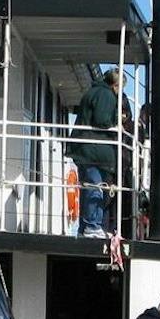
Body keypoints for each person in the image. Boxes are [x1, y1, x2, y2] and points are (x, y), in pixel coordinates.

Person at [67, 68, 120, 239]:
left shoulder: (92, 92)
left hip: (83, 148)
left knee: (88, 186)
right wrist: (116, 124)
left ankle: (85, 227)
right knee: (95, 186)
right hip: (94, 149)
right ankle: (92, 225)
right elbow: (102, 119)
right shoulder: (106, 95)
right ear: (116, 85)